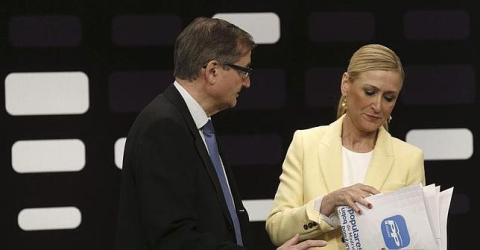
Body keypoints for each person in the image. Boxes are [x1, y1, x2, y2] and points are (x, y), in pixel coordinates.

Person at [115, 17, 327, 250]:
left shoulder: (195, 123)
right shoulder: (164, 127)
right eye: (243, 70)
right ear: (213, 71)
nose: (247, 82)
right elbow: (174, 238)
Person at [265, 44, 426, 250]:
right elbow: (278, 230)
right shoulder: (306, 143)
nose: (378, 106)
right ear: (346, 84)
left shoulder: (409, 158)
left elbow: (418, 242)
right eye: (369, 92)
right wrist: (327, 204)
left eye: (389, 98)